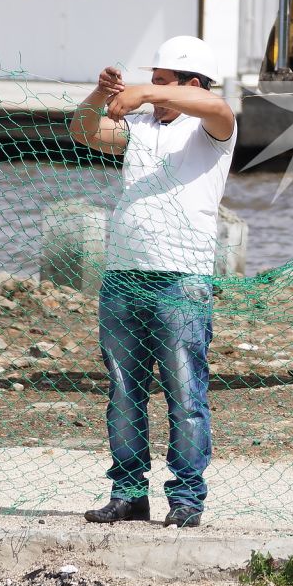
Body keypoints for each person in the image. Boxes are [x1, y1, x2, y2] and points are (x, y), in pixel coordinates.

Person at [69, 36, 236, 528]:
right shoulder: (139, 128)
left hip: (181, 278)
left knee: (185, 392)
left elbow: (218, 106)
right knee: (124, 389)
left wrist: (144, 92)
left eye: (164, 81)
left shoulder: (209, 130)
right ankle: (128, 492)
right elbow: (83, 131)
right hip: (123, 274)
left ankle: (187, 497)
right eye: (152, 80)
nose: (152, 89)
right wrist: (100, 95)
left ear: (191, 83)